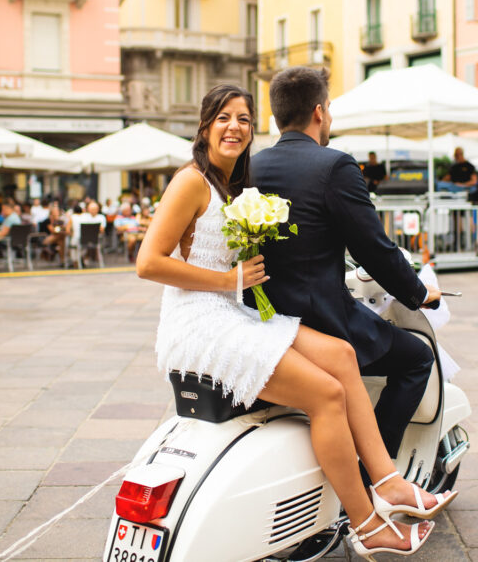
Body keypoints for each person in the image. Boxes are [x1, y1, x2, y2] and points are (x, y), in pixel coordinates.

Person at [137, 83, 450, 558]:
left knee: (342, 355)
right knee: (327, 393)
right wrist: (230, 281)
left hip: (234, 312)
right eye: (223, 118)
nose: (235, 127)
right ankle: (367, 525)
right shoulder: (191, 181)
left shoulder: (234, 185)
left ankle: (387, 481)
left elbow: (237, 262)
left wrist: (251, 286)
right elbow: (148, 263)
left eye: (243, 119)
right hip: (198, 325)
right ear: (205, 126)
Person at [251, 66, 442, 463]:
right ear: (319, 112)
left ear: (276, 115)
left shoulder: (251, 167)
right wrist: (419, 294)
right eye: (331, 109)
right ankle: (378, 468)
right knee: (418, 358)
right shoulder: (334, 165)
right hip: (323, 320)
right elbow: (375, 248)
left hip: (264, 319)